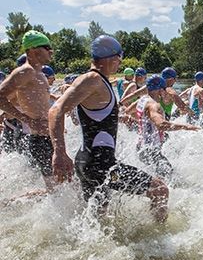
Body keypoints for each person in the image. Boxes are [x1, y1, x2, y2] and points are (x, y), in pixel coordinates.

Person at [48, 35, 169, 222]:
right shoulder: (92, 79)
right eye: (119, 59)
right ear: (112, 58)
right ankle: (159, 243)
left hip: (89, 163)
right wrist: (59, 152)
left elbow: (95, 116)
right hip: (102, 167)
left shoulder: (98, 82)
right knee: (159, 189)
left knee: (98, 220)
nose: (119, 65)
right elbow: (56, 110)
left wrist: (119, 118)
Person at [0, 30, 56, 192]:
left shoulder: (39, 73)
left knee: (58, 188)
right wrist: (26, 119)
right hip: (39, 139)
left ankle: (17, 205)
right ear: (32, 50)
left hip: (47, 138)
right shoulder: (26, 71)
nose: (50, 51)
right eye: (47, 47)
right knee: (56, 191)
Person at [132, 75, 199, 177]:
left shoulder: (142, 100)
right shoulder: (154, 105)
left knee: (156, 177)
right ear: (160, 89)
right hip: (150, 151)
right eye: (164, 89)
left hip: (141, 147)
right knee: (169, 176)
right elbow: (161, 124)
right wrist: (186, 127)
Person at [120, 67, 193, 119]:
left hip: (149, 117)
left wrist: (120, 104)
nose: (175, 81)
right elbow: (183, 107)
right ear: (172, 79)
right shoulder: (170, 91)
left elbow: (133, 95)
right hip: (163, 120)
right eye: (175, 79)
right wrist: (194, 115)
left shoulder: (151, 85)